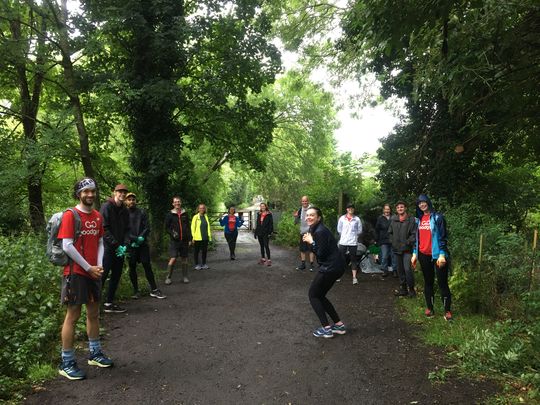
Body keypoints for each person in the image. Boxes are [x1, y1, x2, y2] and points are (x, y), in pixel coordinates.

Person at [57, 177, 113, 380]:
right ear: (78, 194)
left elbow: (100, 241)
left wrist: (98, 266)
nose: (90, 194)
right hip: (76, 273)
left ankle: (95, 353)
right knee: (73, 315)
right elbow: (67, 245)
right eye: (85, 191)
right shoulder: (71, 215)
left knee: (94, 313)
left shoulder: (98, 216)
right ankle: (67, 362)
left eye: (92, 191)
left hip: (92, 272)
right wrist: (89, 268)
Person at [303, 207, 346, 338]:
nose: (308, 217)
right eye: (307, 215)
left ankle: (326, 329)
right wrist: (311, 242)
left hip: (331, 267)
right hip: (334, 266)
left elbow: (320, 253)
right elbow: (319, 251)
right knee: (320, 295)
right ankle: (339, 325)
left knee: (313, 295)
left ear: (319, 218)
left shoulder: (320, 231)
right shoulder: (315, 229)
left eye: (312, 215)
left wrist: (311, 242)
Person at [411, 194, 453, 321]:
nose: (422, 205)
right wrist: (414, 253)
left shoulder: (437, 217)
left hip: (438, 256)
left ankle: (447, 311)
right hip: (423, 255)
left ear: (428, 202)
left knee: (442, 283)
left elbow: (443, 237)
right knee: (428, 282)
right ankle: (430, 309)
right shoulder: (418, 219)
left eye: (423, 202)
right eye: (419, 203)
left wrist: (442, 253)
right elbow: (416, 239)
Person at [125, 193, 165, 299]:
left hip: (142, 244)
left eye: (133, 199)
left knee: (147, 265)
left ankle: (154, 289)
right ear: (126, 202)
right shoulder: (123, 214)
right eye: (129, 199)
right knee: (132, 267)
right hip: (130, 245)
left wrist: (141, 238)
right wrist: (132, 240)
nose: (131, 201)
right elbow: (123, 230)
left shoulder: (142, 212)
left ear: (136, 201)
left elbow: (147, 226)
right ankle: (136, 291)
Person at [100, 184, 130, 313]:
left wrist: (125, 245)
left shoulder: (125, 209)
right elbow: (104, 228)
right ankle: (94, 305)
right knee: (102, 275)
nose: (122, 194)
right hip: (107, 248)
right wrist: (115, 245)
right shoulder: (106, 207)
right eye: (120, 192)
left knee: (116, 275)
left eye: (124, 192)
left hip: (120, 249)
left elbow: (127, 229)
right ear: (114, 192)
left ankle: (109, 303)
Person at [387, 201, 416, 297]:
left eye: (402, 207)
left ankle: (411, 290)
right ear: (396, 209)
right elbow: (390, 233)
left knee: (407, 269)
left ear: (405, 208)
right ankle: (403, 289)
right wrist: (393, 242)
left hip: (407, 250)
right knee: (400, 270)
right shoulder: (393, 219)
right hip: (396, 249)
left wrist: (408, 242)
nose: (400, 209)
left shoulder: (411, 220)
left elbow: (414, 234)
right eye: (398, 207)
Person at [165, 196, 192, 284]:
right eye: (175, 202)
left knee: (184, 258)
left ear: (181, 203)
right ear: (173, 204)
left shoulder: (185, 214)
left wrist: (190, 239)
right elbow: (167, 227)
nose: (177, 203)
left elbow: (188, 227)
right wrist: (173, 233)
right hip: (174, 241)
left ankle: (184, 277)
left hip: (184, 240)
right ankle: (168, 278)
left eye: (179, 201)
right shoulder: (169, 214)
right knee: (173, 258)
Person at [337, 203, 363, 285]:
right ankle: (338, 275)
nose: (350, 209)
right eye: (349, 208)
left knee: (353, 259)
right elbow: (339, 230)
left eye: (352, 208)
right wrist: (345, 235)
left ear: (354, 209)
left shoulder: (357, 219)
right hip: (343, 241)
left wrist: (353, 236)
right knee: (340, 258)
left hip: (353, 242)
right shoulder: (342, 218)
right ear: (346, 209)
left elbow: (359, 231)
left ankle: (354, 278)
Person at [294, 196, 316, 271]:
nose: (304, 202)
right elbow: (296, 222)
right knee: (302, 249)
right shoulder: (300, 210)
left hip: (310, 231)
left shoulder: (312, 209)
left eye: (306, 201)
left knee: (311, 249)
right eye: (303, 201)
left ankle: (312, 265)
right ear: (301, 202)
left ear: (308, 201)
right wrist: (296, 217)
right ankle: (303, 264)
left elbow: (316, 219)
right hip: (302, 231)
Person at [376, 204, 397, 278]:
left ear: (390, 210)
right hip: (383, 240)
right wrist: (377, 240)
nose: (387, 211)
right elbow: (377, 230)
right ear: (383, 210)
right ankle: (384, 270)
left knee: (394, 256)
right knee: (384, 256)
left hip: (393, 239)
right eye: (385, 209)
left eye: (388, 209)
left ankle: (395, 270)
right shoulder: (380, 218)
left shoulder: (394, 217)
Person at [191, 203, 212, 270]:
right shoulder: (195, 217)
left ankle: (204, 264)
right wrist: (193, 237)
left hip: (205, 237)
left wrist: (209, 237)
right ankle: (197, 265)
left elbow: (208, 227)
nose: (201, 209)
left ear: (204, 209)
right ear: (198, 209)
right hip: (197, 238)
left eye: (203, 208)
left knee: (204, 251)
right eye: (200, 208)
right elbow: (192, 227)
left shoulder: (206, 216)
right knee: (196, 251)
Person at [254, 202, 273, 266]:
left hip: (266, 232)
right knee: (261, 246)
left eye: (263, 206)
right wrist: (255, 232)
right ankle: (263, 259)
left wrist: (270, 232)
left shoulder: (269, 214)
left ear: (265, 207)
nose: (262, 207)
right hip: (259, 232)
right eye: (261, 206)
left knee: (266, 245)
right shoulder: (259, 214)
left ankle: (269, 260)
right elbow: (258, 224)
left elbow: (271, 224)